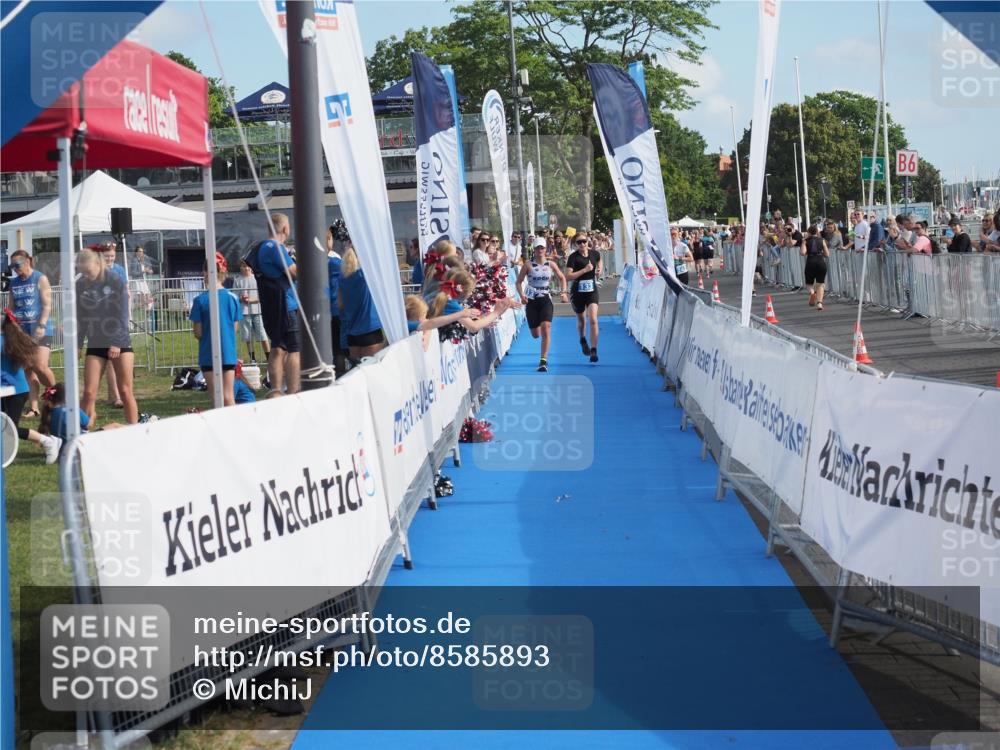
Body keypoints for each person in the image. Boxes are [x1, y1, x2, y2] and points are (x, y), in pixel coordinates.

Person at [76, 248, 138, 424]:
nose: (85, 276)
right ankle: (82, 431)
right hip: (96, 342)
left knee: (125, 391)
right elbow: (80, 317)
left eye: (88, 271)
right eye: (82, 272)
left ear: (97, 264)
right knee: (89, 392)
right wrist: (78, 344)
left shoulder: (115, 279)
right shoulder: (80, 284)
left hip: (120, 341)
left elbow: (122, 314)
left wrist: (116, 343)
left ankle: (134, 430)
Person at [1, 313, 63, 463]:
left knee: (11, 428)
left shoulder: (4, 341)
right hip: (8, 390)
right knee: (5, 426)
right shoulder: (10, 339)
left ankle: (48, 441)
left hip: (14, 391)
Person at [255, 212, 300, 395]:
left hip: (272, 306)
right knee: (294, 349)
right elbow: (294, 272)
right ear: (285, 229)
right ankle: (293, 390)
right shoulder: (276, 248)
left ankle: (275, 390)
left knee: (278, 347)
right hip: (286, 305)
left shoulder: (261, 248)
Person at [190, 253, 242, 407]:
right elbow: (235, 327)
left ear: (206, 272)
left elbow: (198, 332)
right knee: (229, 397)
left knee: (217, 399)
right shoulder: (233, 298)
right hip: (228, 353)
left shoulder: (199, 300)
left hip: (208, 354)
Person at [8, 250, 56, 417]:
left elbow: (47, 305)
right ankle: (34, 407)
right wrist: (11, 326)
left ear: (27, 261)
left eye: (17, 265)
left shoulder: (39, 278)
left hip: (41, 328)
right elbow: (11, 308)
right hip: (22, 331)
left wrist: (41, 325)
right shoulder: (14, 283)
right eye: (12, 266)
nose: (15, 269)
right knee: (28, 368)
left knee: (40, 365)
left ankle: (57, 396)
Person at [516, 238, 568, 372]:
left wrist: (563, 292)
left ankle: (543, 361)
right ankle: (536, 326)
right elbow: (518, 282)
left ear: (546, 249)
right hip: (532, 301)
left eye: (542, 248)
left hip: (545, 299)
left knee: (546, 327)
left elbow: (562, 277)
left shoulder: (551, 264)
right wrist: (522, 296)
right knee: (535, 334)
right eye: (537, 248)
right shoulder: (527, 265)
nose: (540, 250)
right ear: (534, 249)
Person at [339, 246, 386, 361]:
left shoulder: (343, 279)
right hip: (370, 329)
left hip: (352, 334)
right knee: (372, 372)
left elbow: (341, 305)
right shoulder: (364, 276)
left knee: (356, 372)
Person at [565, 232, 602, 363]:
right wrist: (584, 270)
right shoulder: (573, 257)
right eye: (579, 242)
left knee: (593, 319)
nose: (582, 244)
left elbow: (599, 260)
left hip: (591, 290)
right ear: (575, 244)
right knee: (582, 321)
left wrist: (599, 270)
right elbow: (567, 276)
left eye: (584, 241)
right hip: (577, 292)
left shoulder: (594, 253)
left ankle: (593, 350)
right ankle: (582, 339)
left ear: (588, 242)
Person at [404, 294, 480, 350]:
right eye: (424, 315)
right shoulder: (408, 324)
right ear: (418, 316)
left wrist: (427, 334)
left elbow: (428, 323)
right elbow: (430, 323)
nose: (425, 318)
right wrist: (460, 314)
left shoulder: (408, 322)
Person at [232, 260, 270, 364]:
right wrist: (241, 298)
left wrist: (251, 300)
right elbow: (235, 296)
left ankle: (269, 356)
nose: (246, 268)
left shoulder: (257, 279)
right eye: (243, 266)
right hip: (244, 312)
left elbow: (262, 296)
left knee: (262, 334)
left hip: (257, 311)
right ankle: (253, 358)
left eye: (248, 266)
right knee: (247, 336)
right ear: (240, 267)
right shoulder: (237, 280)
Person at [801, 225, 829, 310]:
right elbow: (827, 254)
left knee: (809, 284)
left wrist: (803, 242)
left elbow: (803, 252)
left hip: (810, 262)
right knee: (820, 284)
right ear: (817, 232)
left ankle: (812, 292)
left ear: (808, 232)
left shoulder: (806, 241)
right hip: (821, 262)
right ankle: (819, 303)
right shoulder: (822, 240)